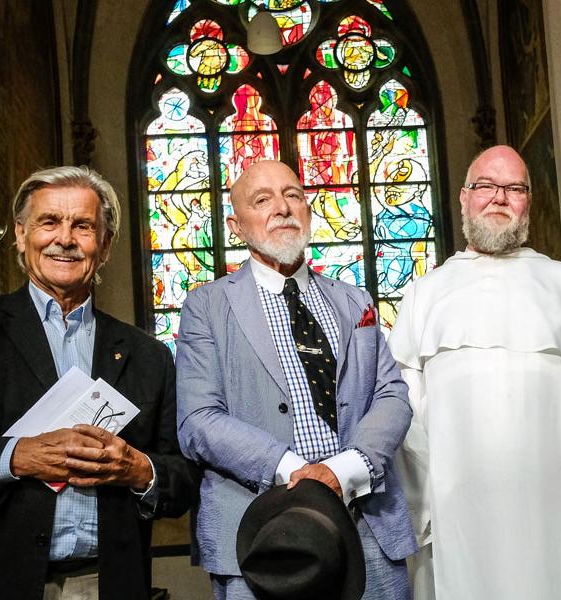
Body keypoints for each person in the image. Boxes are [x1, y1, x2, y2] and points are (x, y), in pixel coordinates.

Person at [0, 166, 198, 599]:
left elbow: (184, 476)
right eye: (49, 222)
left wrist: (139, 470)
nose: (65, 238)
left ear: (104, 246)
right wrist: (15, 456)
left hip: (105, 582)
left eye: (82, 226)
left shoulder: (148, 354)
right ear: (21, 235)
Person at [389, 145, 561, 600]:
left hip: (557, 506)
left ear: (529, 202)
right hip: (459, 515)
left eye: (515, 188)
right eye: (486, 186)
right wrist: (432, 500)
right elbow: (406, 412)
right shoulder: (424, 295)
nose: (499, 197)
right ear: (463, 197)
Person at [176, 160, 416, 599]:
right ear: (236, 225)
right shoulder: (205, 307)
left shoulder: (354, 300)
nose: (282, 208)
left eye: (293, 195)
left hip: (366, 526)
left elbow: (392, 396)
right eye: (262, 200)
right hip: (261, 532)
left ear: (308, 209)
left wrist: (342, 471)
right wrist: (297, 472)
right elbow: (198, 420)